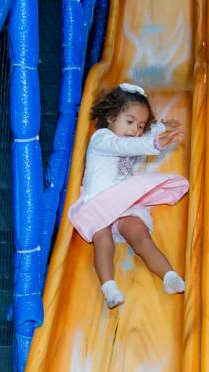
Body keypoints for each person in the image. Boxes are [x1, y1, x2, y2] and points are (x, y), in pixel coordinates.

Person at [67, 83, 190, 308]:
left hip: (124, 203)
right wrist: (155, 143)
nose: (135, 130)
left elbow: (141, 137)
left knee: (140, 235)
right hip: (98, 203)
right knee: (102, 239)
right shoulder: (102, 138)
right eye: (130, 122)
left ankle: (169, 276)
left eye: (140, 126)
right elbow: (124, 146)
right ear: (111, 117)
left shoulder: (132, 136)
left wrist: (161, 127)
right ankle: (109, 288)